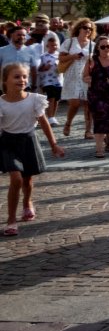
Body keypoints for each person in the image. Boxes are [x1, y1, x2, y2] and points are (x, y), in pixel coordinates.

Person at [1, 63, 65, 236]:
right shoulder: (1, 103)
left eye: (24, 76)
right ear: (5, 80)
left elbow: (44, 123)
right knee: (16, 179)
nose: (22, 80)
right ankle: (11, 220)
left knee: (27, 179)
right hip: (8, 144)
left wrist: (54, 145)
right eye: (16, 77)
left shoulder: (34, 99)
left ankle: (27, 202)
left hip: (28, 141)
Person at [59, 18, 96, 138]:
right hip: (72, 75)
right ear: (79, 28)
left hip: (86, 76)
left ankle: (88, 130)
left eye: (90, 29)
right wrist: (73, 56)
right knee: (74, 103)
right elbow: (61, 58)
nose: (88, 30)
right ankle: (68, 123)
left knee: (88, 104)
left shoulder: (93, 45)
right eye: (85, 27)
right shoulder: (69, 42)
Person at [36, 33, 63, 126]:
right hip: (47, 80)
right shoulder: (43, 56)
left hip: (58, 81)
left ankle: (53, 117)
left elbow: (64, 67)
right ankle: (50, 117)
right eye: (51, 45)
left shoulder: (59, 56)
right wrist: (44, 67)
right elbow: (39, 69)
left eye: (55, 45)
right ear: (47, 46)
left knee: (56, 99)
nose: (54, 47)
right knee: (51, 98)